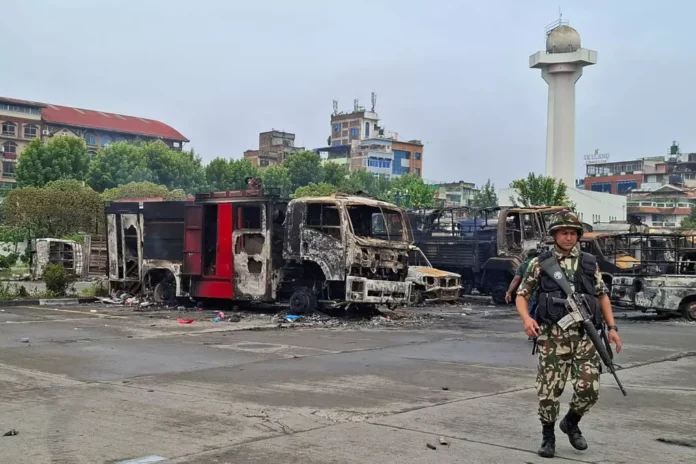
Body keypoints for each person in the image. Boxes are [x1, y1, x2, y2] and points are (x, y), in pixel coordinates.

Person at [515, 211, 622, 459]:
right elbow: (522, 295)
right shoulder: (540, 263)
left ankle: (571, 422)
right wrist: (527, 319)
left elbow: (602, 295)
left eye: (573, 233)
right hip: (553, 337)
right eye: (563, 233)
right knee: (548, 391)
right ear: (554, 235)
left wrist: (612, 328)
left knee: (589, 389)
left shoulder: (589, 262)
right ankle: (548, 436)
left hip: (585, 338)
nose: (568, 237)